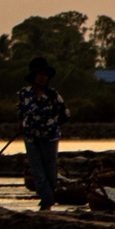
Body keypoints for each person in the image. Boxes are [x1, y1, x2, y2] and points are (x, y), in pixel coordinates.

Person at [18, 56, 68, 209]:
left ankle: (47, 200)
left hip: (49, 137)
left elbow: (65, 114)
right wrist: (23, 126)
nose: (42, 78)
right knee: (37, 169)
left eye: (44, 75)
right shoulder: (24, 94)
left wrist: (51, 124)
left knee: (50, 170)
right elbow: (20, 113)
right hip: (30, 137)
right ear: (33, 77)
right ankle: (47, 199)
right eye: (39, 75)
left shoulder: (53, 95)